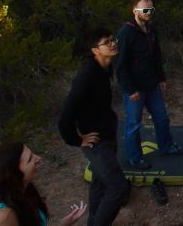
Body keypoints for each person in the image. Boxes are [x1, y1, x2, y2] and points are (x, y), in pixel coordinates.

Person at [58, 28, 129, 226]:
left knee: (99, 183)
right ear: (95, 50)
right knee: (118, 187)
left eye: (112, 39)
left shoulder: (105, 67)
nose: (113, 43)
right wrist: (77, 139)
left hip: (107, 132)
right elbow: (65, 116)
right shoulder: (86, 75)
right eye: (107, 42)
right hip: (96, 141)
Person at [115, 0, 183, 170]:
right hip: (135, 89)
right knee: (134, 124)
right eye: (145, 10)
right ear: (135, 11)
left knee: (162, 118)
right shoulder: (126, 33)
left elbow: (156, 57)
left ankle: (166, 146)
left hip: (152, 85)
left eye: (151, 10)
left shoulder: (151, 30)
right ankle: (135, 158)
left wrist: (161, 78)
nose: (149, 14)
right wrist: (130, 89)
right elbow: (120, 65)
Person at [0, 142, 86, 226]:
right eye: (30, 159)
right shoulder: (1, 218)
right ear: (13, 174)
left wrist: (63, 224)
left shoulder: (22, 191)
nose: (38, 158)